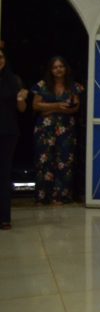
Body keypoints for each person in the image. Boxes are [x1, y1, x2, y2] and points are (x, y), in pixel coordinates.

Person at [31, 56, 84, 204]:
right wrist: (58, 106)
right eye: (55, 67)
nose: (58, 69)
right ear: (50, 70)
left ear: (66, 68)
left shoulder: (73, 86)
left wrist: (49, 109)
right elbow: (36, 105)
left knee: (65, 160)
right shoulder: (42, 85)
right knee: (44, 160)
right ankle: (43, 196)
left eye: (61, 66)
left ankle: (61, 196)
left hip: (66, 128)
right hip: (45, 128)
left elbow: (74, 107)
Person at [0, 47, 29, 230]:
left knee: (4, 174)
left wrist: (20, 99)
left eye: (1, 57)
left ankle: (4, 218)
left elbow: (22, 109)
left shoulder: (14, 80)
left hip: (8, 131)